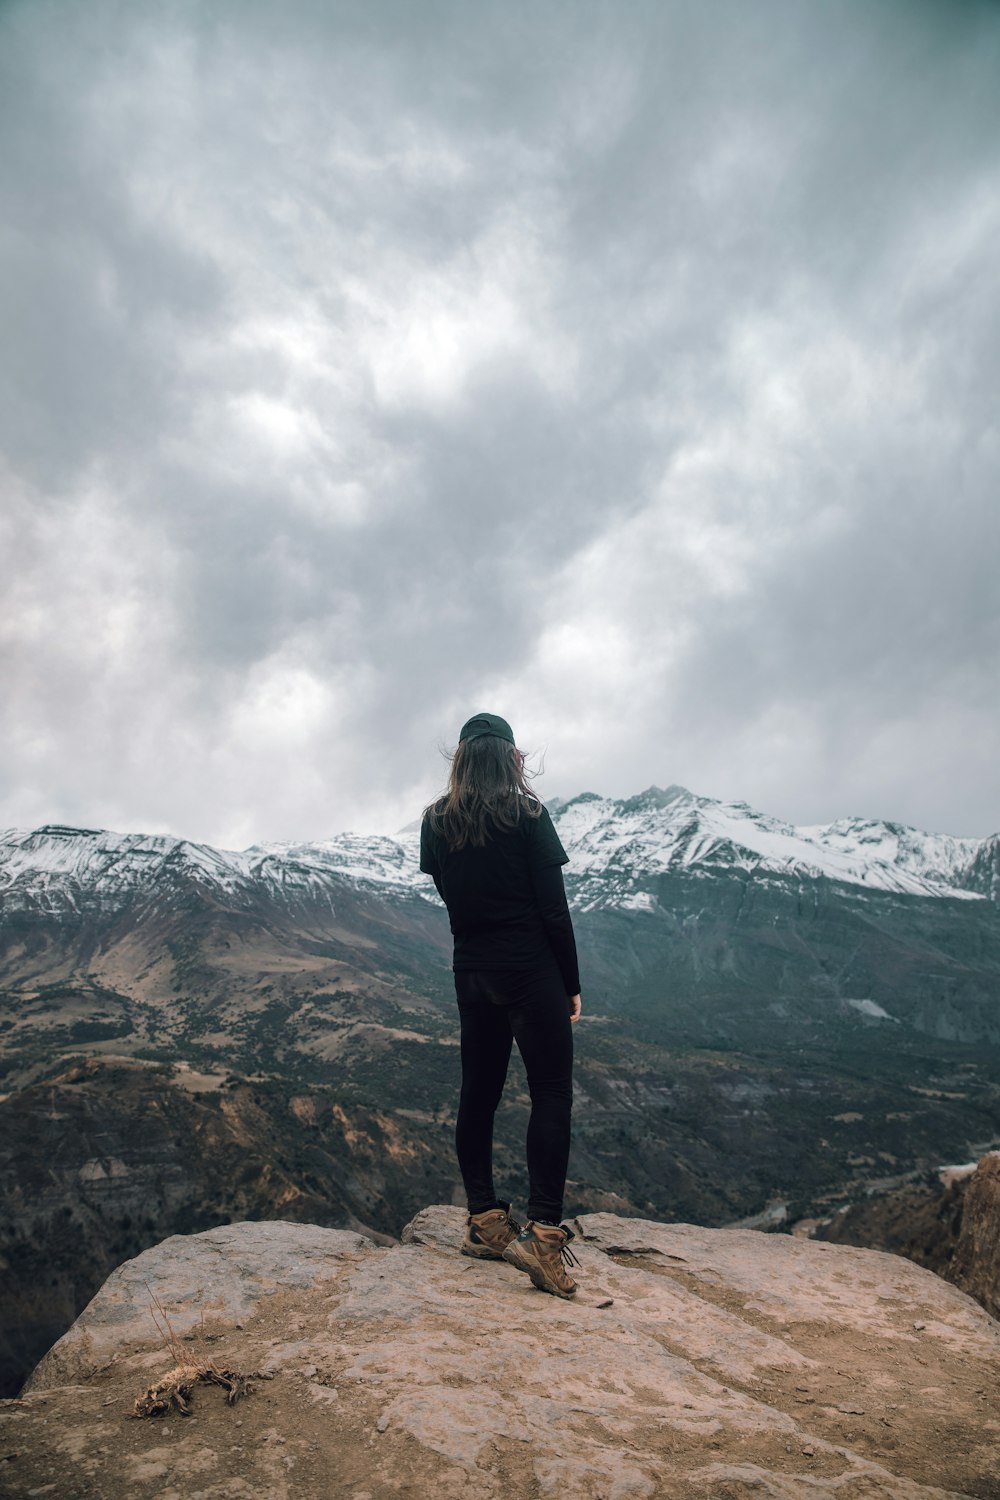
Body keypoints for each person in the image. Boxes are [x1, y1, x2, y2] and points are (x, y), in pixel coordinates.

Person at [419, 712, 583, 1299]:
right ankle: (542, 1236)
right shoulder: (529, 816)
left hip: (473, 972)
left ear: (460, 761)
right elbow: (554, 910)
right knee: (551, 1093)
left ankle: (486, 1222)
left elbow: (449, 893)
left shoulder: (434, 822)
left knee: (478, 1095)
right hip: (532, 970)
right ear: (512, 758)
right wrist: (569, 982)